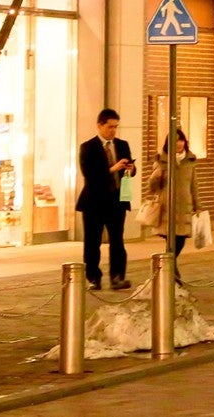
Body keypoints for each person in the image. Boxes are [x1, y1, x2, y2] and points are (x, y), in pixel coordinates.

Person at [77, 108, 136, 291]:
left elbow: (130, 172)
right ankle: (94, 277)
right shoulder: (88, 147)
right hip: (94, 202)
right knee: (92, 241)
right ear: (100, 125)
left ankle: (117, 277)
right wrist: (112, 168)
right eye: (110, 127)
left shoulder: (122, 145)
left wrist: (130, 169)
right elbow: (90, 175)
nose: (113, 131)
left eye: (116, 127)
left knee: (117, 241)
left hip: (117, 200)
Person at [147, 128, 199, 281]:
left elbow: (193, 185)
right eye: (175, 140)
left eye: (181, 140)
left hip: (184, 207)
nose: (179, 143)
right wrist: (156, 176)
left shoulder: (189, 161)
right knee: (171, 241)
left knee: (180, 241)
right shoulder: (161, 160)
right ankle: (172, 274)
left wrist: (198, 205)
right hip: (166, 208)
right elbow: (152, 187)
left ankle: (166, 269)